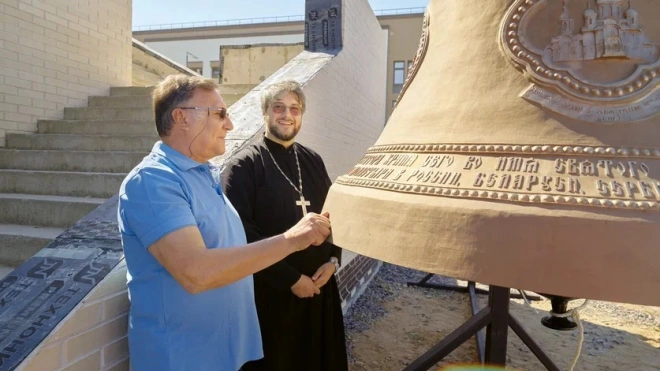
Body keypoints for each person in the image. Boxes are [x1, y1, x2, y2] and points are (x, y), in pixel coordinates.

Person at [117, 75, 332, 371]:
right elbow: (196, 273)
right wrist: (292, 241)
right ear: (181, 118)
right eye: (219, 114)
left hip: (225, 352)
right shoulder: (154, 181)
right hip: (183, 356)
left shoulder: (204, 174)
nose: (229, 124)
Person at [223, 80, 349, 371]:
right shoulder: (245, 165)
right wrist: (290, 280)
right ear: (265, 113)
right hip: (271, 293)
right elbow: (242, 233)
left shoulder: (313, 160)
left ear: (302, 114)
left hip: (320, 287)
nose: (286, 114)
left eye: (294, 108)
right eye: (278, 107)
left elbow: (335, 215)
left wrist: (333, 260)